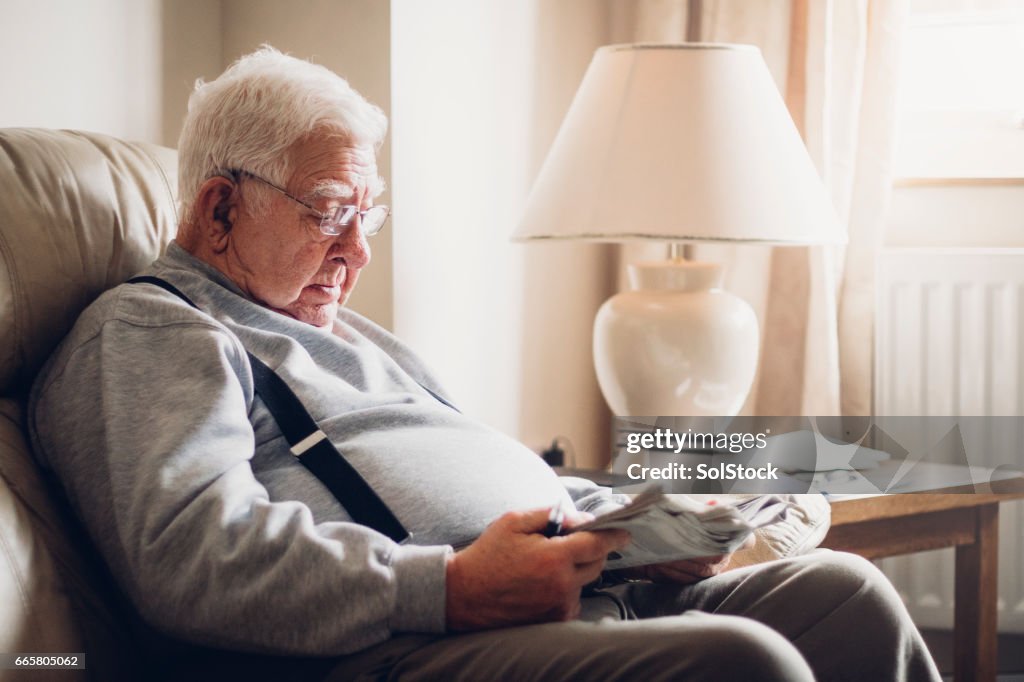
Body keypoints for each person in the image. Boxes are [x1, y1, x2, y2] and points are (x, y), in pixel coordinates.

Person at [29, 46, 941, 682]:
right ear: (220, 209)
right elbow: (188, 558)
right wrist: (449, 589)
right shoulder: (153, 331)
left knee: (846, 594)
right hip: (391, 650)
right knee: (749, 664)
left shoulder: (353, 335)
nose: (359, 252)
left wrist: (632, 536)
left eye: (369, 217)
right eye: (329, 211)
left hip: (564, 604)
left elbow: (491, 486)